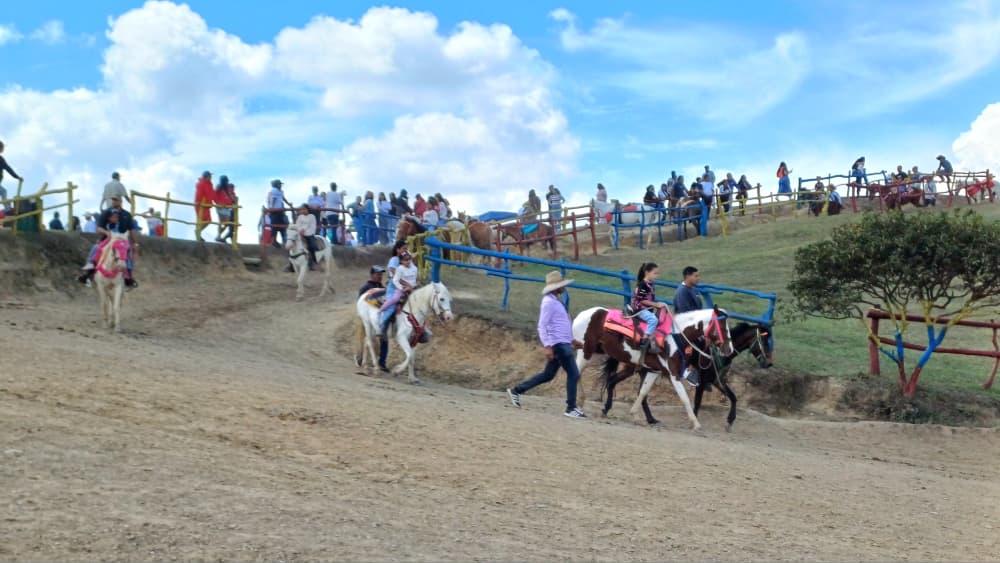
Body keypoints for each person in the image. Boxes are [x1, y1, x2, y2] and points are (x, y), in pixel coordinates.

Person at [506, 271, 586, 419]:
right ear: (556, 287)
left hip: (562, 343)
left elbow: (560, 325)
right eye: (562, 285)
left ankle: (516, 391)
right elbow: (542, 325)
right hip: (558, 344)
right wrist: (547, 346)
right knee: (573, 374)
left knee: (548, 375)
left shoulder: (555, 301)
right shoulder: (549, 303)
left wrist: (572, 341)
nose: (565, 287)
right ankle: (571, 408)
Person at [77, 195, 139, 289]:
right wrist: (107, 233)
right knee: (96, 248)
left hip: (122, 241)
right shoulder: (106, 212)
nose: (113, 201)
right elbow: (99, 227)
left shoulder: (127, 214)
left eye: (116, 200)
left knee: (127, 254)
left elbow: (131, 229)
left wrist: (136, 242)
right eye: (113, 200)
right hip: (108, 238)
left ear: (120, 201)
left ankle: (129, 278)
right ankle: (88, 274)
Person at [672, 266, 704, 387]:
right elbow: (685, 313)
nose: (698, 278)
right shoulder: (682, 291)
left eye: (698, 276)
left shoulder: (693, 290)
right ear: (687, 276)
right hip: (684, 327)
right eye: (696, 276)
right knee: (695, 345)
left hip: (694, 325)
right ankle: (687, 370)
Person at [377, 250, 418, 336]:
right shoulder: (400, 269)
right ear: (401, 261)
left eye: (409, 259)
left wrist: (412, 287)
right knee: (395, 299)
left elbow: (414, 280)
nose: (408, 261)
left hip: (411, 288)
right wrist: (402, 288)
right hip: (401, 289)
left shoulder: (414, 268)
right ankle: (381, 310)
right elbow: (395, 280)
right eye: (406, 260)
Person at [632, 262, 666, 362]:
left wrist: (657, 304)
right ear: (647, 272)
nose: (657, 276)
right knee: (653, 319)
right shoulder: (643, 285)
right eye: (655, 273)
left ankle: (654, 341)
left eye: (657, 273)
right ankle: (644, 340)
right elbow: (642, 300)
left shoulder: (650, 284)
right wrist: (655, 305)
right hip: (640, 309)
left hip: (647, 309)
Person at [359, 265, 390, 371]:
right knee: (367, 337)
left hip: (379, 317)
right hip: (368, 317)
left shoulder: (382, 287)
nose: (380, 276)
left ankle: (382, 362)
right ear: (372, 275)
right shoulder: (365, 288)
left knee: (384, 340)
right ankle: (361, 357)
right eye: (378, 274)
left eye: (381, 275)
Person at [291, 203, 319, 271]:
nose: (303, 211)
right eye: (302, 209)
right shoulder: (300, 217)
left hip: (309, 233)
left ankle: (313, 262)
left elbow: (310, 225)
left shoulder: (312, 216)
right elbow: (297, 225)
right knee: (292, 245)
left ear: (307, 209)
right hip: (300, 233)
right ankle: (291, 264)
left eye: (304, 209)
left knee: (312, 246)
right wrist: (300, 230)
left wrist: (304, 230)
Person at [267, 179, 291, 248]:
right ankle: (274, 241)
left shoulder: (280, 191)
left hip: (279, 210)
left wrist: (289, 204)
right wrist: (271, 209)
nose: (281, 185)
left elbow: (283, 198)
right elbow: (273, 200)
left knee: (281, 225)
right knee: (275, 226)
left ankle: (281, 241)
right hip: (275, 210)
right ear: (276, 185)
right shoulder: (274, 191)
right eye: (279, 184)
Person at [0, 140, 23, 207]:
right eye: (2, 148)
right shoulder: (1, 160)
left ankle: (7, 207)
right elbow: (8, 169)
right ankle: (7, 208)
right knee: (3, 191)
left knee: (3, 191)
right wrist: (17, 177)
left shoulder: (1, 160)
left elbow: (8, 169)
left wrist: (17, 177)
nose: (3, 149)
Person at [215, 176, 237, 243]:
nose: (228, 182)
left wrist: (232, 201)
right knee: (221, 222)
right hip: (220, 207)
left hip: (227, 208)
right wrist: (218, 203)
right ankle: (218, 236)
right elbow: (214, 196)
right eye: (227, 181)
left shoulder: (227, 189)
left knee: (226, 223)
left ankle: (218, 235)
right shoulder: (219, 187)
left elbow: (230, 197)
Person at [194, 171, 214, 242]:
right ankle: (198, 233)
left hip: (207, 205)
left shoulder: (210, 184)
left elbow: (212, 194)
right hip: (201, 205)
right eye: (210, 176)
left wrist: (214, 202)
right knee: (203, 220)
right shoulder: (201, 183)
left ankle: (198, 233)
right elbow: (199, 193)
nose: (211, 177)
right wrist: (198, 201)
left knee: (207, 220)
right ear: (206, 177)